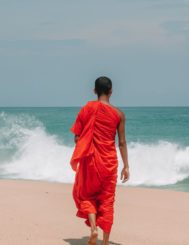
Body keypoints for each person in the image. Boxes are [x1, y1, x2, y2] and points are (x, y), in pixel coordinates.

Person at [70, 76, 130, 245]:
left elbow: (77, 137)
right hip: (109, 161)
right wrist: (126, 166)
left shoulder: (86, 109)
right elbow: (122, 142)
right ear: (111, 91)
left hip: (90, 160)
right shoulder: (119, 114)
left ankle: (94, 228)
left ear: (94, 91)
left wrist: (86, 143)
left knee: (87, 195)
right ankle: (105, 242)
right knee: (107, 200)